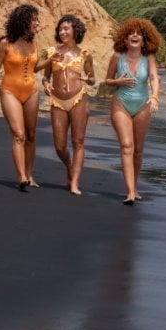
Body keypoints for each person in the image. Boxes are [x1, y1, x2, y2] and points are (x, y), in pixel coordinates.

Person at [0, 3, 50, 191]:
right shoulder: (4, 43)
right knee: (19, 134)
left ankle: (30, 175)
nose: (37, 23)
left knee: (31, 136)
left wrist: (51, 61)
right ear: (23, 21)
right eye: (34, 19)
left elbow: (34, 68)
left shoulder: (34, 42)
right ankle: (22, 177)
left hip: (31, 91)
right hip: (10, 91)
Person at [104, 17, 162, 204]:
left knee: (138, 149)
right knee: (127, 146)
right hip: (121, 103)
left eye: (139, 33)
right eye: (131, 32)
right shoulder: (116, 57)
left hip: (143, 104)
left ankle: (135, 187)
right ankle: (130, 192)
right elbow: (107, 80)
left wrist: (154, 97)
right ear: (125, 38)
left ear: (145, 39)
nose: (135, 35)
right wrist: (118, 82)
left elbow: (154, 78)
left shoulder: (149, 58)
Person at [42, 13, 95, 196]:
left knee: (78, 142)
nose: (62, 32)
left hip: (79, 98)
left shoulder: (85, 54)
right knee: (59, 146)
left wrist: (89, 79)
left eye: (66, 28)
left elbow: (92, 78)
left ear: (75, 30)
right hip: (57, 100)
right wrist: (46, 85)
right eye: (60, 29)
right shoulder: (51, 52)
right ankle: (70, 166)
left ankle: (74, 182)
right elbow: (45, 76)